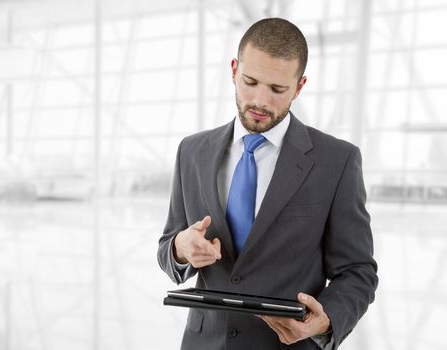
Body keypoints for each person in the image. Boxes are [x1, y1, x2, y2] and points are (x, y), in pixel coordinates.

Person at [157, 17, 378, 350]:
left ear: (299, 87)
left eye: (277, 89)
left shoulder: (337, 161)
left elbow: (358, 270)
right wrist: (181, 248)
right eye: (250, 82)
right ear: (234, 70)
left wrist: (326, 318)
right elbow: (167, 247)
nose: (260, 101)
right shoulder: (192, 151)